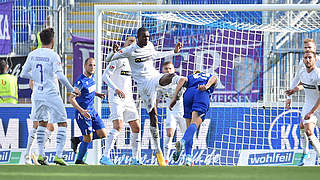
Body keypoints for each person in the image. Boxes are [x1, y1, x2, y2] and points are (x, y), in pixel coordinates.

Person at [106, 27, 182, 166]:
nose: (147, 39)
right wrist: (113, 52)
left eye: (148, 37)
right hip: (144, 86)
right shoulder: (130, 50)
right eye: (144, 37)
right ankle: (158, 150)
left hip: (153, 77)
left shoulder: (150, 45)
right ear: (138, 37)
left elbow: (156, 54)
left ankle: (178, 83)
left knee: (171, 76)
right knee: (153, 117)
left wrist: (173, 52)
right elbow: (109, 59)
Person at [20, 28, 80, 166]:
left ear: (41, 40)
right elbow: (60, 76)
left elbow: (23, 74)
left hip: (37, 94)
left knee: (41, 122)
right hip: (51, 93)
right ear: (53, 40)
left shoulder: (33, 54)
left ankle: (41, 155)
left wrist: (35, 77)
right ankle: (58, 156)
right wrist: (72, 89)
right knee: (63, 122)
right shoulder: (53, 56)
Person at [100, 37, 142, 165]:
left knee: (136, 127)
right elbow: (105, 76)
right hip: (116, 97)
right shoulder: (119, 59)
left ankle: (135, 158)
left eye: (134, 43)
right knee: (118, 126)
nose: (132, 44)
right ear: (124, 45)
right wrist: (116, 89)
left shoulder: (134, 61)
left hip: (128, 99)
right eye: (129, 42)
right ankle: (105, 156)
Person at [169, 71, 217, 166]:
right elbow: (214, 78)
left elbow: (182, 79)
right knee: (195, 123)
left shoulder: (191, 76)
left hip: (188, 95)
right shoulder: (207, 75)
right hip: (201, 93)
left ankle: (188, 158)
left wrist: (174, 98)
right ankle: (182, 142)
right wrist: (207, 86)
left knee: (189, 128)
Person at [285, 38, 320, 166]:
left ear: (315, 50)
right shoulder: (302, 65)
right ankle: (305, 155)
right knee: (306, 129)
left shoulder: (318, 69)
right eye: (305, 48)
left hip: (317, 103)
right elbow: (301, 81)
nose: (307, 51)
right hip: (309, 103)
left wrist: (312, 111)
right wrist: (291, 93)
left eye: (309, 48)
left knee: (306, 129)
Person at [70, 57, 107, 165]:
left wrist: (97, 94)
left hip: (92, 111)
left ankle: (77, 140)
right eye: (90, 65)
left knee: (102, 133)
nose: (92, 67)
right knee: (88, 138)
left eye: (94, 65)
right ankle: (79, 160)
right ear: (85, 66)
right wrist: (81, 111)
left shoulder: (93, 78)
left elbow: (88, 90)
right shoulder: (80, 82)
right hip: (83, 114)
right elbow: (71, 99)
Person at [157, 61, 186, 165]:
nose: (168, 71)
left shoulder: (180, 80)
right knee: (169, 134)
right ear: (162, 71)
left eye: (170, 68)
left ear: (174, 70)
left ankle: (188, 159)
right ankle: (165, 159)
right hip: (171, 112)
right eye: (166, 69)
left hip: (183, 112)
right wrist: (154, 111)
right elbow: (156, 98)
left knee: (187, 136)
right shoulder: (160, 84)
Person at [24, 80, 55, 165]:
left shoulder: (53, 69)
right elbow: (31, 83)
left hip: (49, 98)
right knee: (36, 125)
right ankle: (27, 155)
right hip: (39, 97)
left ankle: (37, 152)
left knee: (51, 127)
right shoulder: (37, 67)